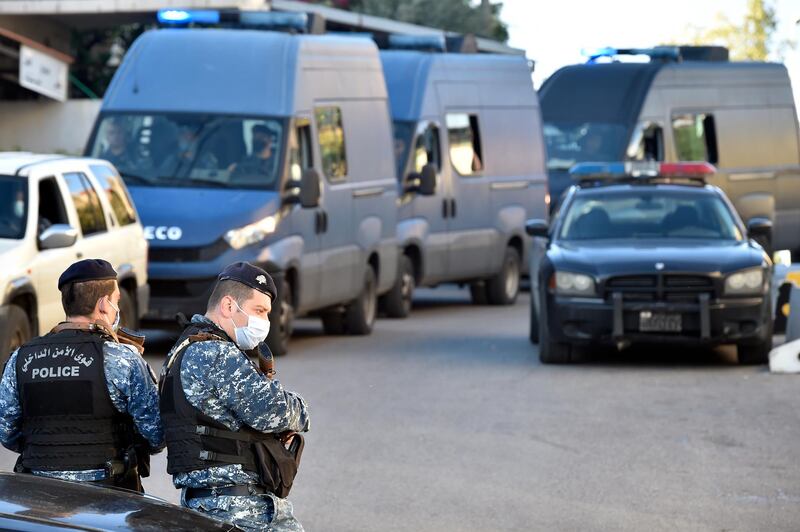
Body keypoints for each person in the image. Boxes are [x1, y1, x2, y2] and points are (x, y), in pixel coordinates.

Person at [159, 262, 309, 532]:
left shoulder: (180, 350)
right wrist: (300, 408)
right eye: (259, 311)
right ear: (229, 306)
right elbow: (274, 411)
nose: (265, 322)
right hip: (240, 509)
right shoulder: (217, 353)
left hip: (205, 504)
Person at [0, 259, 164, 491]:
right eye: (117, 300)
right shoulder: (121, 359)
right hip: (109, 494)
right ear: (103, 304)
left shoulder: (21, 358)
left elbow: (7, 432)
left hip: (37, 494)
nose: (118, 308)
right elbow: (156, 435)